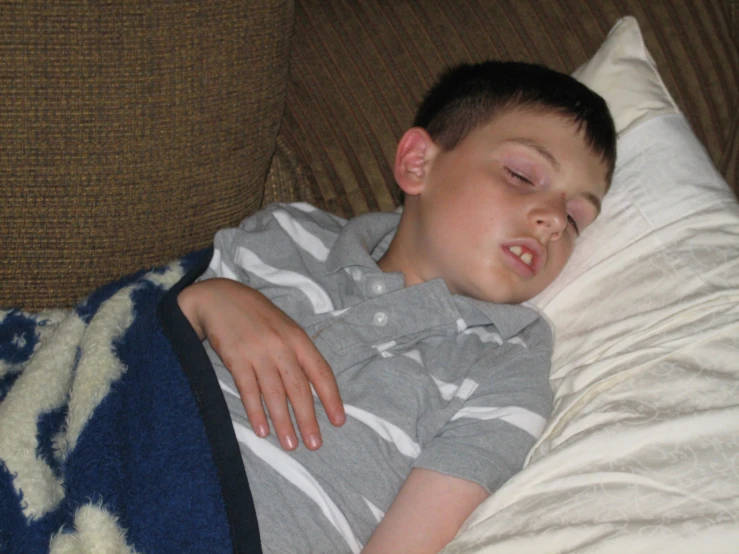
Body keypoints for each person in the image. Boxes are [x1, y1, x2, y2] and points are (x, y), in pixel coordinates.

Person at [178, 60, 617, 553]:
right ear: (417, 164)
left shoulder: (507, 366)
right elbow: (122, 340)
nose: (554, 220)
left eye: (576, 218)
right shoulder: (285, 236)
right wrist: (202, 302)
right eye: (521, 175)